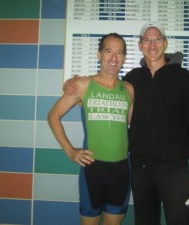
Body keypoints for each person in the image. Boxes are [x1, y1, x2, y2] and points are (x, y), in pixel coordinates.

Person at [64, 22, 189, 225]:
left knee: (180, 221)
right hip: (140, 168)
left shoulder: (185, 79)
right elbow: (105, 82)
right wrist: (71, 83)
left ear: (165, 43)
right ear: (140, 45)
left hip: (174, 169)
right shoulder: (131, 79)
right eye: (147, 40)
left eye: (157, 39)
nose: (152, 45)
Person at [48, 33, 134, 225]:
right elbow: (53, 116)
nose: (114, 58)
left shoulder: (129, 89)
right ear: (99, 54)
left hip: (121, 169)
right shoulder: (82, 85)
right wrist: (71, 151)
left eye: (119, 52)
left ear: (124, 58)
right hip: (92, 169)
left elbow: (135, 124)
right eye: (109, 51)